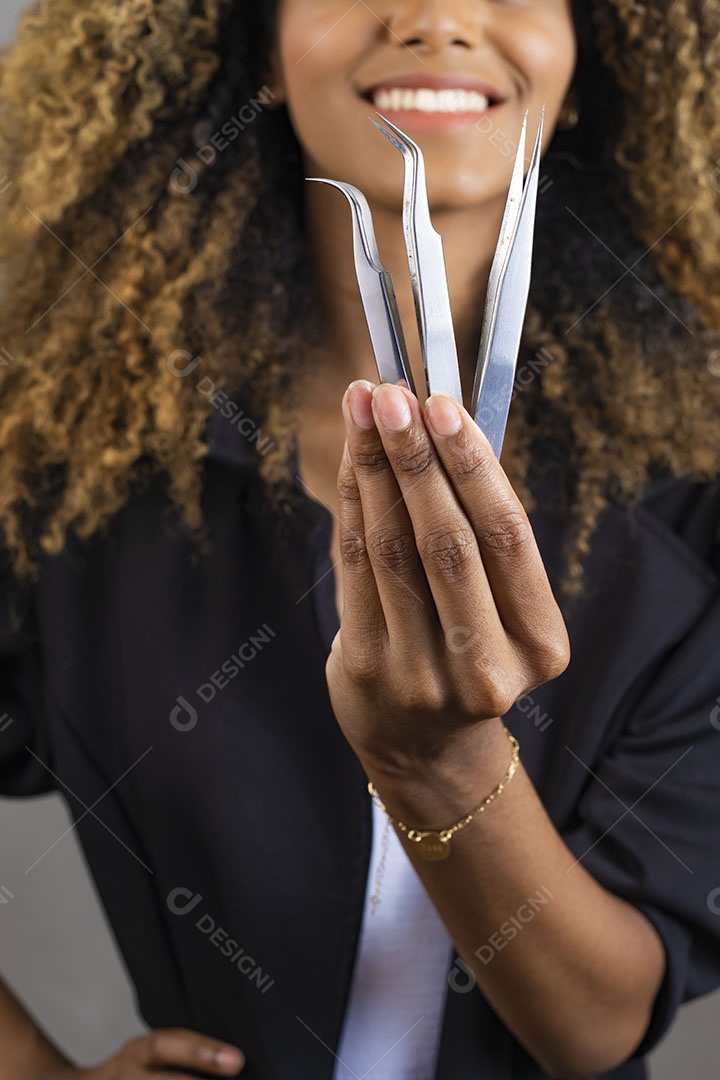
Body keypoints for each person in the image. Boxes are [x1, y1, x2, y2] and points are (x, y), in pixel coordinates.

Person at [0, 0, 719, 1077]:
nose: (437, 18)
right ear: (261, 48)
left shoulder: (695, 509)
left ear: (590, 56)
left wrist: (439, 765)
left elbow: (597, 1027)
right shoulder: (69, 475)